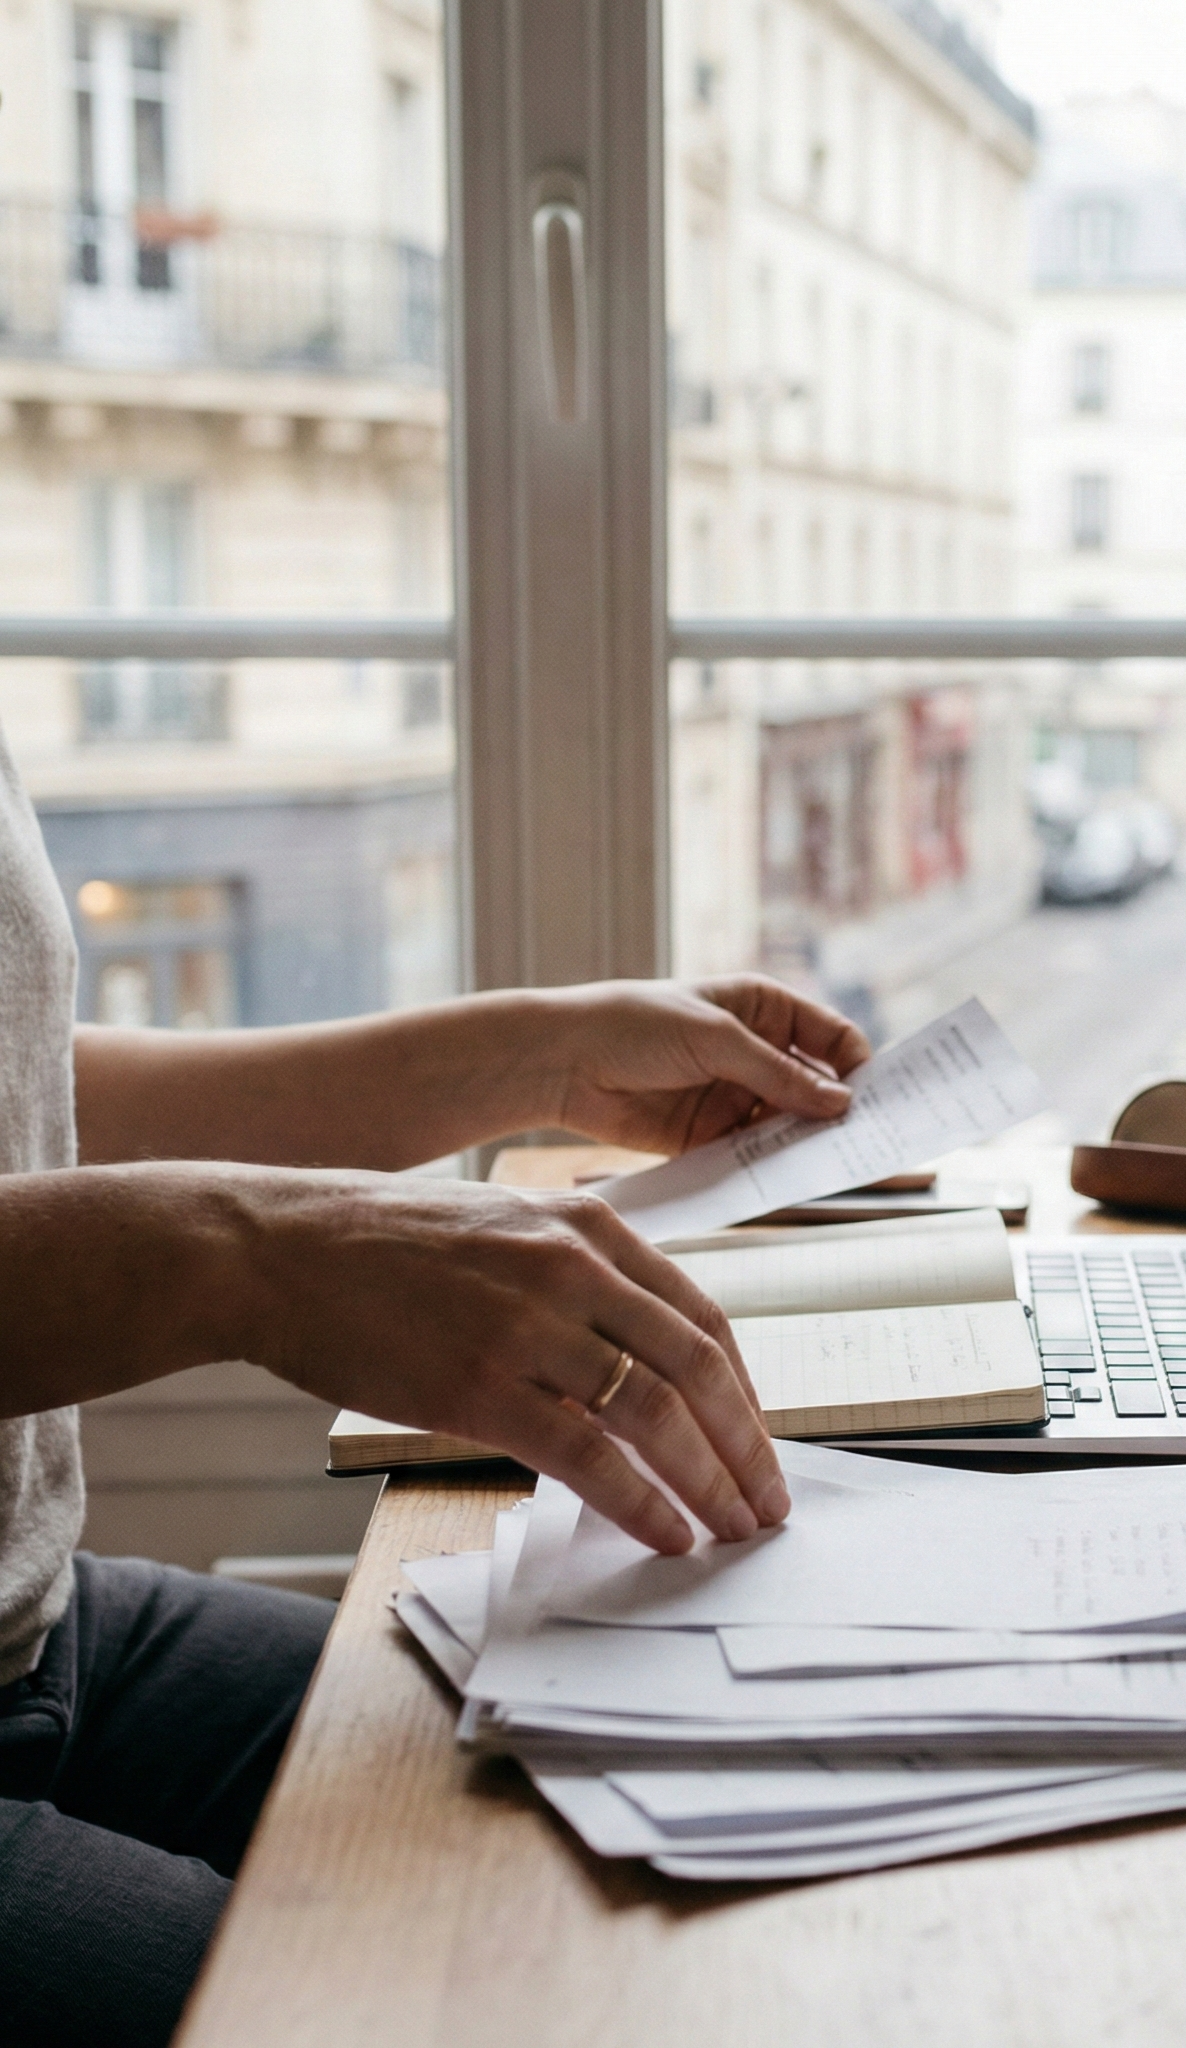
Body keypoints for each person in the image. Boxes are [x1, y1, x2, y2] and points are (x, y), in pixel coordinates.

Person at [0, 718, 868, 2047]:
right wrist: (255, 1256)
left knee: (663, 1819)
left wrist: (537, 1062)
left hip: (38, 1626)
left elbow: (29, 1096)